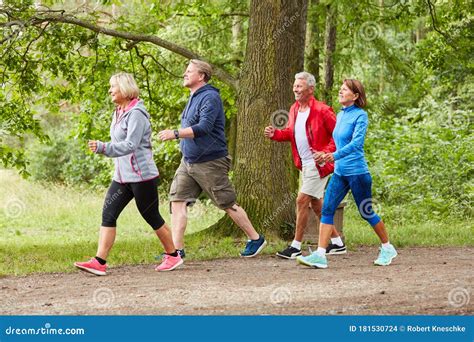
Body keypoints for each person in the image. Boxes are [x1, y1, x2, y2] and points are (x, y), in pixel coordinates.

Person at [74, 72, 183, 275]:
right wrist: (107, 149)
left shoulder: (137, 114)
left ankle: (173, 256)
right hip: (122, 177)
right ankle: (99, 261)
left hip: (142, 177)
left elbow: (131, 145)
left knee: (151, 215)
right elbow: (119, 143)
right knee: (108, 213)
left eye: (113, 86)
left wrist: (103, 147)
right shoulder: (119, 111)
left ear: (124, 88)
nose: (110, 90)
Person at [158, 59, 266, 258]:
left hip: (210, 162)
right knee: (177, 201)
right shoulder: (193, 96)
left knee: (227, 203)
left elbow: (204, 128)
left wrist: (175, 133)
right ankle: (176, 252)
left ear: (201, 76)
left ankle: (255, 238)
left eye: (189, 71)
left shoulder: (210, 97)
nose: (185, 73)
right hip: (188, 161)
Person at [297, 79, 398, 269]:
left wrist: (332, 156)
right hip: (339, 172)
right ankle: (320, 255)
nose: (340, 92)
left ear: (356, 96)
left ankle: (387, 247)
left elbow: (356, 144)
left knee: (366, 212)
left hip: (357, 173)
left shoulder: (361, 116)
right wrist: (325, 154)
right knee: (327, 209)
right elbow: (337, 142)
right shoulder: (341, 115)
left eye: (345, 90)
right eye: (340, 89)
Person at [264, 71, 345, 259]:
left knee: (301, 200)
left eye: (299, 86)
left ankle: (295, 246)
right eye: (294, 85)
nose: (295, 89)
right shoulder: (293, 109)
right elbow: (291, 133)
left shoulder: (323, 110)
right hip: (305, 165)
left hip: (319, 165)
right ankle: (338, 243)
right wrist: (275, 134)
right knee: (316, 205)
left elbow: (338, 136)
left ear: (310, 89)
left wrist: (326, 154)